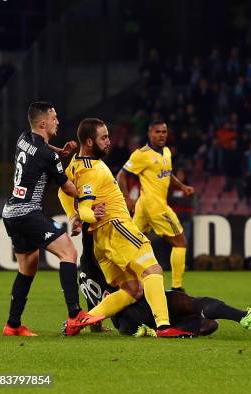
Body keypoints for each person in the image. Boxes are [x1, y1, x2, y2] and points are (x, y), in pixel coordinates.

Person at [58, 118, 191, 338]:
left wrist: (73, 217)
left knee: (132, 289)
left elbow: (63, 190)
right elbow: (85, 207)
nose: (109, 141)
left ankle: (81, 322)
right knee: (152, 269)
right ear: (90, 142)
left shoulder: (76, 163)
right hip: (116, 226)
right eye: (104, 137)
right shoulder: (92, 171)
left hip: (102, 240)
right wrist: (86, 215)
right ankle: (164, 327)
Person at [1, 101, 104, 336]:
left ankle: (13, 325)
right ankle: (74, 314)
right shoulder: (47, 154)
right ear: (43, 122)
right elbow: (67, 188)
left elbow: (41, 151)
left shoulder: (23, 138)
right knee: (69, 252)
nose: (58, 121)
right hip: (28, 212)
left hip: (11, 212)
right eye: (54, 117)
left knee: (28, 266)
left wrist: (60, 152)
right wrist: (88, 194)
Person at [73, 222, 251, 336]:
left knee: (209, 325)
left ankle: (157, 330)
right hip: (144, 303)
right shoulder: (113, 251)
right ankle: (242, 315)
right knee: (193, 303)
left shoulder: (87, 274)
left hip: (127, 324)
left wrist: (93, 326)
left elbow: (95, 314)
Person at [117, 121, 194, 291]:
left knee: (132, 244)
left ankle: (122, 280)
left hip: (143, 207)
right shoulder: (141, 154)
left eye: (164, 131)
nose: (161, 135)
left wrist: (181, 186)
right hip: (157, 207)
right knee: (180, 242)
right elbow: (121, 175)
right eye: (158, 131)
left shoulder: (166, 152)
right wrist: (127, 197)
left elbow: (168, 173)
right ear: (150, 133)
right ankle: (177, 287)